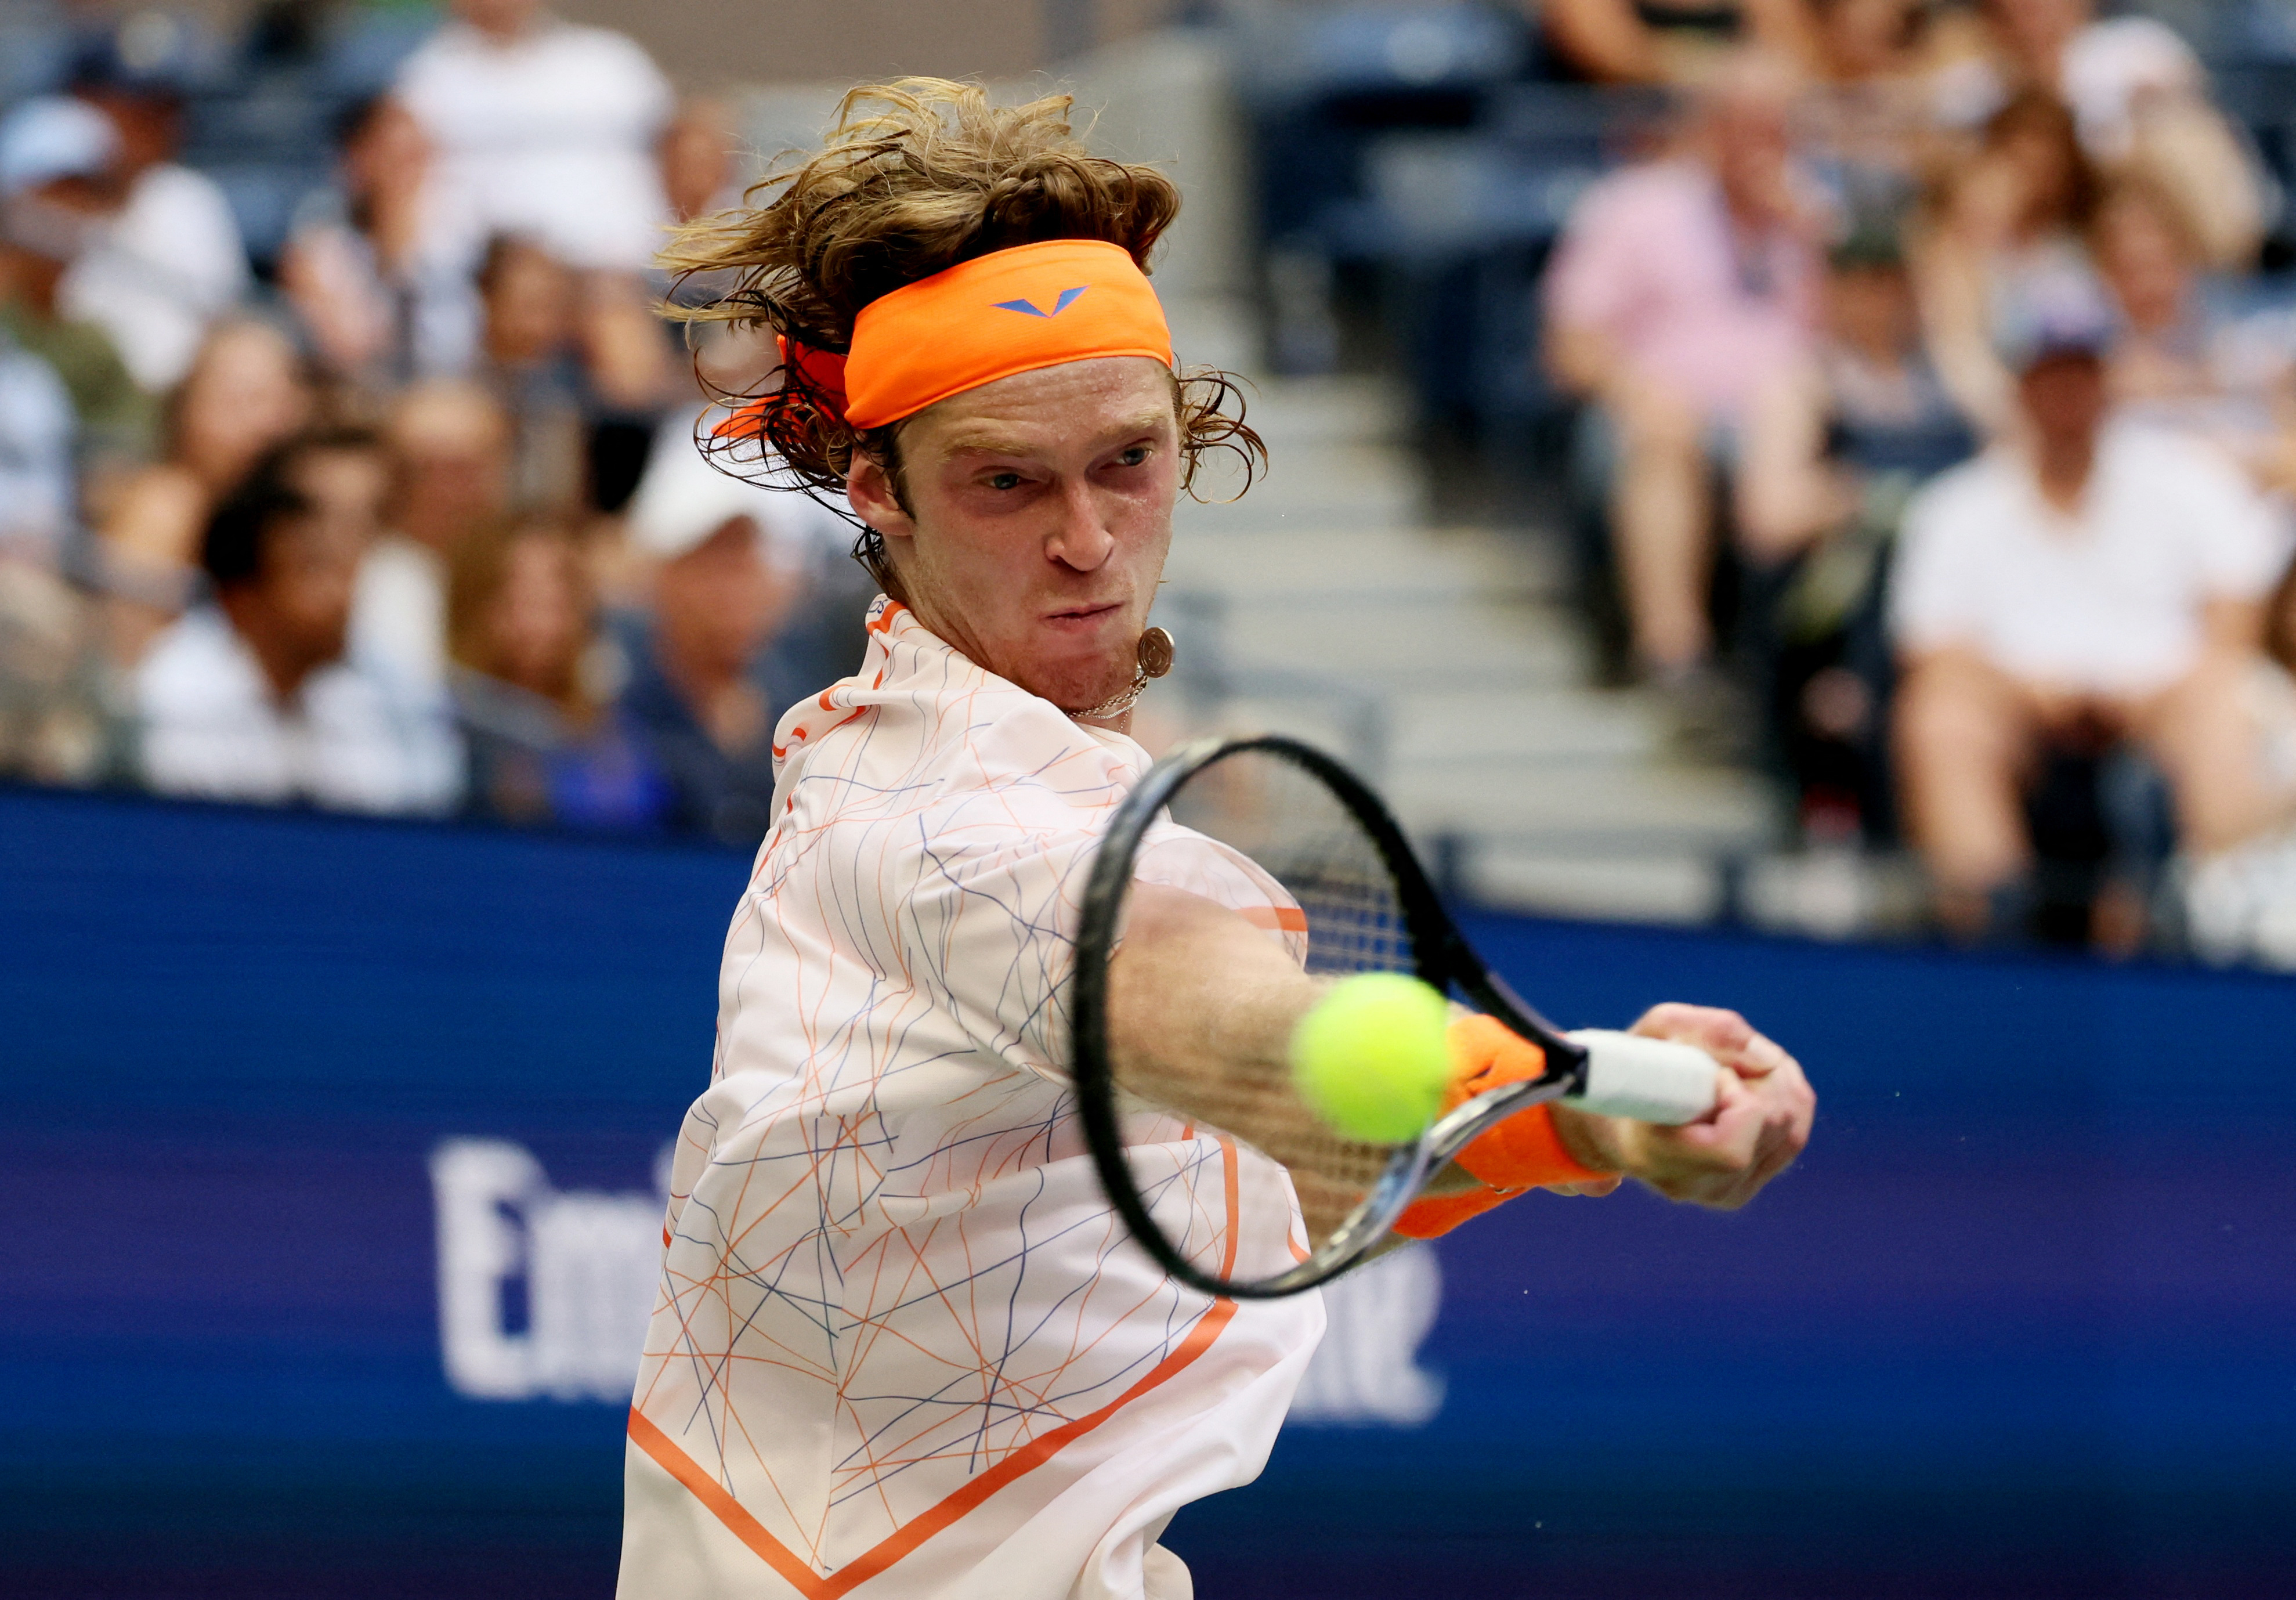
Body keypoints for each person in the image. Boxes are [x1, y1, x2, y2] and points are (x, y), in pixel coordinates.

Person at [618, 79, 1813, 1600]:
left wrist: (1583, 1123)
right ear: (878, 489)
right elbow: (1220, 1031)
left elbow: (1264, 1157)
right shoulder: (931, 817)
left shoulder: (1018, 774)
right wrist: (1564, 1087)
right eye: (1005, 481)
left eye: (1125, 460)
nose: (1083, 538)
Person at [1890, 294, 2286, 939]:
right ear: (2022, 386)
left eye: (2081, 375)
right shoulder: (1957, 505)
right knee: (1940, 717)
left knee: (2225, 695)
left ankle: (2222, 921)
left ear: (2106, 382)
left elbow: (2238, 616)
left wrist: (2151, 692)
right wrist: (2033, 695)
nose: (2067, 396)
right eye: (2050, 377)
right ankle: (1989, 927)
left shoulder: (2184, 477)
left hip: (2159, 699)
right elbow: (1932, 649)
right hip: (2018, 711)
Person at [1542, 52, 1821, 730]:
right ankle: (1677, 656)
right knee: (1666, 437)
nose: (1758, 143)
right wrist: (1640, 391)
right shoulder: (1637, 205)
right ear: (1708, 127)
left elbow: (1869, 342)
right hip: (1659, 412)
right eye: (1743, 124)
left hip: (1791, 417)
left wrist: (1811, 237)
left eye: (1774, 127)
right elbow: (1570, 347)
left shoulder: (1815, 219)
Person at [135, 439, 462, 814]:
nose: (343, 596)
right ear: (242, 598)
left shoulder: (367, 689)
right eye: (313, 572)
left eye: (341, 570)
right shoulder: (178, 688)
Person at [612, 431, 827, 846]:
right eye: (710, 563)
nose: (733, 591)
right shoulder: (612, 715)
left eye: (746, 562)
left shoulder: (811, 712)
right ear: (661, 576)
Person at [392, 0, 674, 277]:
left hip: (626, 280)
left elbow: (685, 159)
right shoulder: (422, 81)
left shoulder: (613, 64)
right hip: (476, 286)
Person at [97, 317, 314, 660]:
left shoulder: (242, 523)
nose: (267, 425)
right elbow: (125, 659)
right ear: (187, 409)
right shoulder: (167, 505)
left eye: (280, 405)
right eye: (244, 401)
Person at [60, 23, 252, 394]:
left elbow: (222, 323)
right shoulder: (44, 193)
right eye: (128, 109)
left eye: (161, 110)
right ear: (82, 102)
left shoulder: (191, 201)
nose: (147, 126)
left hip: (174, 407)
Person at [446, 515, 665, 829]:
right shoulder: (448, 728)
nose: (542, 623)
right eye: (521, 598)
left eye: (558, 599)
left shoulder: (619, 731)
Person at [278, 95, 482, 391]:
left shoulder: (470, 233)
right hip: (368, 398)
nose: (410, 174)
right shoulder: (319, 248)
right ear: (354, 161)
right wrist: (396, 246)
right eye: (394, 158)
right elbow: (353, 352)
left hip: (466, 389)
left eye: (418, 155)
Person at [0, 95, 153, 473]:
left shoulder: (96, 347)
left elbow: (125, 462)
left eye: (89, 195)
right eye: (59, 191)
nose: (74, 212)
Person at [352, 378, 515, 699]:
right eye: (425, 469)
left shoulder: (530, 567)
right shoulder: (363, 580)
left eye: (463, 469)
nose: (445, 490)